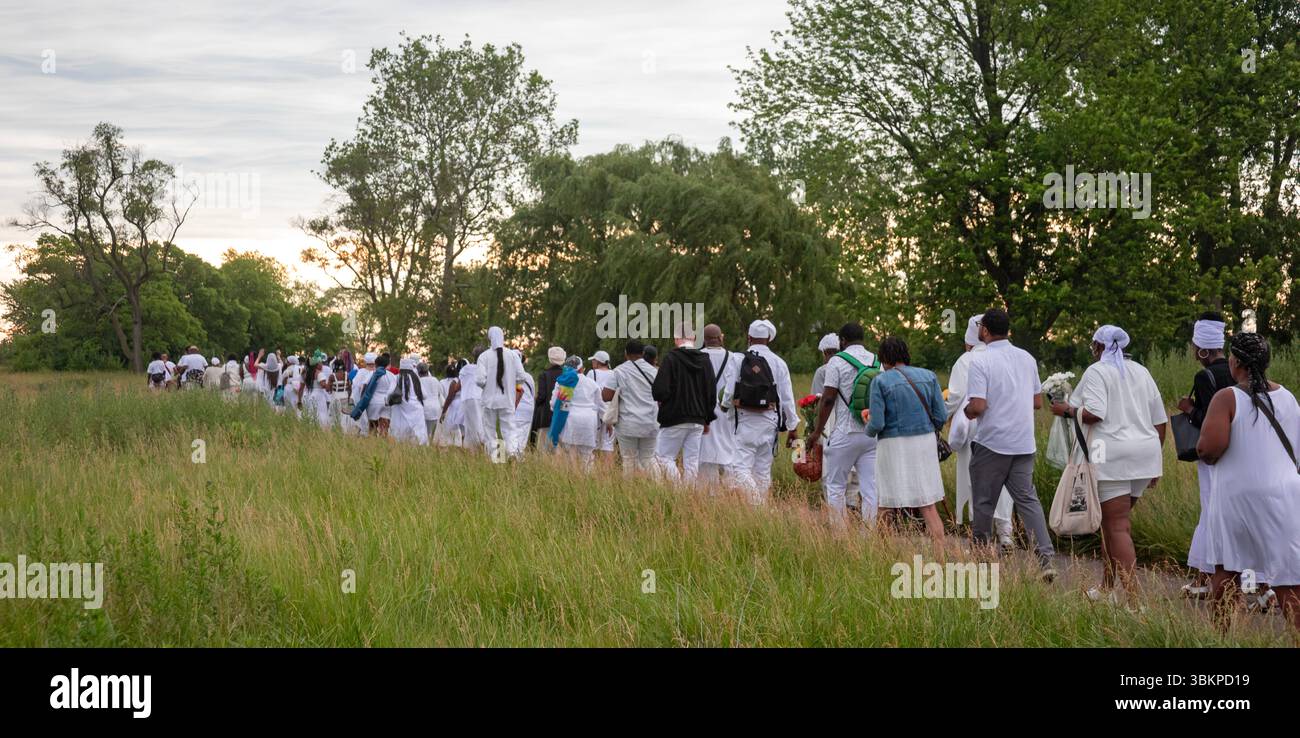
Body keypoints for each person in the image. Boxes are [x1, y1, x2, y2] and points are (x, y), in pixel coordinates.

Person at [1050, 325, 1167, 602]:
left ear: (1099, 347)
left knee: (1117, 527)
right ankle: (1107, 588)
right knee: (1111, 526)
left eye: (1093, 346)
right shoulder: (1141, 371)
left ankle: (1134, 602)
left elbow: (1094, 414)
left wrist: (1067, 410)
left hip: (1111, 456)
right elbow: (1160, 420)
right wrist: (1153, 463)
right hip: (1144, 454)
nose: (1092, 351)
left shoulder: (1097, 372)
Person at [1197, 332, 1300, 634]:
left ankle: (1223, 637)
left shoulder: (1227, 397)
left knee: (1227, 570)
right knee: (1288, 578)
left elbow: (1208, 448)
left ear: (1237, 361)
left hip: (1238, 496)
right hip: (1286, 495)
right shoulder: (1288, 397)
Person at [964, 308, 1057, 580]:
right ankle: (1046, 559)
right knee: (1028, 501)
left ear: (984, 331)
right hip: (1023, 443)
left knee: (983, 502)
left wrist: (967, 412)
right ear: (1008, 329)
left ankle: (981, 558)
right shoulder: (1026, 358)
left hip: (992, 443)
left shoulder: (980, 361)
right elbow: (1037, 401)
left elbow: (978, 405)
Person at [864, 336, 946, 542]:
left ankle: (882, 556)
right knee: (927, 504)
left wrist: (868, 425)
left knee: (886, 503)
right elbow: (942, 416)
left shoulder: (880, 381)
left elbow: (878, 424)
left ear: (884, 359)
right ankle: (941, 558)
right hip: (925, 442)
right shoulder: (929, 376)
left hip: (892, 445)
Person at [1175, 312, 1232, 598]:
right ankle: (1258, 586)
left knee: (1211, 513)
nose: (1193, 352)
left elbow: (1209, 420)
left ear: (1203, 349)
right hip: (1237, 455)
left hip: (1213, 457)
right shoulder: (1237, 371)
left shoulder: (1204, 376)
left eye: (1195, 347)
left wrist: (1187, 409)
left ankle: (1205, 580)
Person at [946, 314, 1015, 548]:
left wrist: (944, 416)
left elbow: (954, 397)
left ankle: (980, 534)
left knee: (974, 478)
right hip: (1006, 424)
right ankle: (1005, 533)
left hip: (974, 422)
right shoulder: (1011, 356)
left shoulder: (965, 360)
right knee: (1003, 479)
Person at [807, 323, 879, 523]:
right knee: (870, 488)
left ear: (842, 341)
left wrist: (816, 432)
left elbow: (828, 399)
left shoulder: (836, 362)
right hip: (871, 434)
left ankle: (839, 535)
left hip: (845, 432)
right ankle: (868, 535)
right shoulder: (876, 360)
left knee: (836, 486)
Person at [731, 320, 799, 504]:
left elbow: (729, 390)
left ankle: (756, 505)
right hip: (770, 422)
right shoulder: (779, 363)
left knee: (740, 469)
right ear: (769, 338)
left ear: (749, 337)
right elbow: (787, 398)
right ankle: (760, 510)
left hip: (744, 421)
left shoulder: (739, 359)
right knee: (762, 471)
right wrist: (793, 427)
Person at [651, 323, 717, 482]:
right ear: (694, 338)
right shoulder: (705, 360)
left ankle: (677, 487)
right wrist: (707, 418)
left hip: (674, 416)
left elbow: (659, 390)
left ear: (676, 339)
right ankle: (688, 493)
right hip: (698, 419)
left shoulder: (671, 358)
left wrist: (665, 400)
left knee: (663, 457)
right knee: (692, 461)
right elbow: (711, 393)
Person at [602, 339, 660, 475]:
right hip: (650, 421)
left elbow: (606, 396)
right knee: (648, 458)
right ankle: (659, 488)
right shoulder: (654, 371)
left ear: (625, 353)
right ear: (643, 353)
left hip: (628, 423)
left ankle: (630, 491)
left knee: (628, 459)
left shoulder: (619, 371)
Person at [698, 324, 742, 489]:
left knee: (705, 451)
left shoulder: (697, 356)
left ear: (704, 340)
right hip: (727, 410)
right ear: (721, 338)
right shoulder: (734, 358)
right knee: (728, 448)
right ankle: (731, 487)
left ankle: (708, 491)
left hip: (703, 411)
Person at [477, 327, 528, 462]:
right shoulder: (512, 355)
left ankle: (497, 459)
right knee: (510, 429)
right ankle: (513, 455)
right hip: (508, 399)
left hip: (489, 401)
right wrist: (511, 382)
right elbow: (522, 376)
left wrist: (488, 386)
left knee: (490, 431)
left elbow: (480, 380)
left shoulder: (484, 356)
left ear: (489, 338)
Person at [550, 355, 601, 467]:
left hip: (570, 421)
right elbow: (600, 405)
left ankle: (572, 482)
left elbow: (554, 404)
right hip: (589, 421)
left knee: (570, 457)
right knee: (587, 458)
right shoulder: (592, 383)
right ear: (582, 369)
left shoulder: (562, 382)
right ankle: (588, 482)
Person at [389, 356, 429, 446]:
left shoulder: (396, 378)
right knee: (417, 440)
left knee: (400, 438)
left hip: (400, 411)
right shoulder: (416, 378)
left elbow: (389, 394)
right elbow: (425, 395)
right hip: (416, 412)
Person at [532, 347, 566, 448]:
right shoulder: (567, 375)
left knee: (544, 448)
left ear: (550, 359)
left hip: (546, 416)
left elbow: (541, 396)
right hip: (563, 415)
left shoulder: (544, 375)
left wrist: (536, 401)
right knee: (562, 449)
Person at [587, 350, 616, 461]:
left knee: (592, 443)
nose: (592, 362)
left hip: (596, 412)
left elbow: (589, 393)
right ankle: (607, 473)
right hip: (611, 412)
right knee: (608, 445)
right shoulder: (614, 373)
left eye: (594, 360)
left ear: (598, 362)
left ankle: (591, 470)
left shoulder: (591, 373)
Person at [459, 346, 487, 452]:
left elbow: (458, 385)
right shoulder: (486, 369)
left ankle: (473, 451)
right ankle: (487, 451)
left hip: (468, 400)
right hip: (481, 399)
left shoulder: (465, 369)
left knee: (471, 427)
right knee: (483, 425)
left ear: (473, 356)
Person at [509, 350, 536, 457]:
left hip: (515, 408)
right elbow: (533, 393)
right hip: (528, 410)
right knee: (522, 440)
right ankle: (518, 459)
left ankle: (510, 460)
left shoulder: (507, 376)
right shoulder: (528, 377)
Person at [436, 360, 467, 447]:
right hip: (465, 405)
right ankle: (463, 446)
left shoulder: (454, 382)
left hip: (454, 406)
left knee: (453, 429)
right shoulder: (468, 380)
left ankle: (456, 446)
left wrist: (443, 411)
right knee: (464, 430)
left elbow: (449, 397)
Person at [367, 353, 396, 436]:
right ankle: (383, 444)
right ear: (387, 364)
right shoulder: (392, 376)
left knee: (372, 427)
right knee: (384, 428)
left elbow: (364, 386)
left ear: (376, 364)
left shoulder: (372, 373)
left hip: (374, 402)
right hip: (386, 403)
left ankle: (373, 444)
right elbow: (393, 389)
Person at [418, 361, 446, 442]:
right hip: (436, 409)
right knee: (433, 434)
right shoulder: (435, 380)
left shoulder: (418, 381)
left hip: (424, 410)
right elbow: (440, 393)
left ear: (419, 371)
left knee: (425, 432)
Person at [303, 356, 333, 430]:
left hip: (312, 394)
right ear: (317, 364)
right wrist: (329, 382)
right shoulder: (319, 374)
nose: (322, 364)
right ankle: (322, 428)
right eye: (320, 363)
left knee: (313, 412)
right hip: (319, 395)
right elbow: (324, 386)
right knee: (321, 412)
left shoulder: (310, 373)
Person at [350, 353, 376, 437]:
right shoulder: (377, 373)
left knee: (362, 422)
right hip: (373, 401)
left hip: (361, 401)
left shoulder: (360, 372)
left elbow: (354, 387)